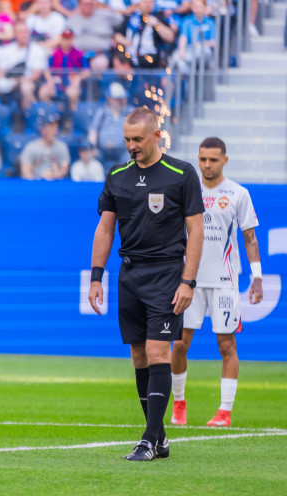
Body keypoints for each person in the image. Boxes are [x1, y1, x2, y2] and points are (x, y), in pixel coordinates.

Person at [88, 106, 204, 461]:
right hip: (130, 274)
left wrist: (188, 282)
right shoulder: (117, 174)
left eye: (137, 139)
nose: (131, 146)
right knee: (139, 356)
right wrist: (96, 276)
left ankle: (149, 439)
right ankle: (161, 438)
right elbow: (106, 227)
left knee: (157, 353)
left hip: (167, 274)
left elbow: (196, 230)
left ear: (157, 136)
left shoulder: (181, 173)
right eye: (126, 139)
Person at [170, 137, 263, 427]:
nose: (207, 165)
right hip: (189, 280)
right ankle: (179, 405)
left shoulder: (237, 193)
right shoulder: (187, 191)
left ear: (225, 160)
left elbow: (249, 238)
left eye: (213, 159)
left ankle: (224, 412)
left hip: (224, 280)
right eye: (202, 159)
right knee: (180, 344)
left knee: (226, 346)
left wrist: (257, 277)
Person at [19, 115, 70, 179]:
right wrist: (37, 181)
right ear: (42, 130)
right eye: (50, 127)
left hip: (56, 184)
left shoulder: (62, 147)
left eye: (55, 127)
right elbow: (25, 172)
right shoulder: (31, 147)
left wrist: (54, 176)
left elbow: (64, 170)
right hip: (37, 185)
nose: (54, 131)